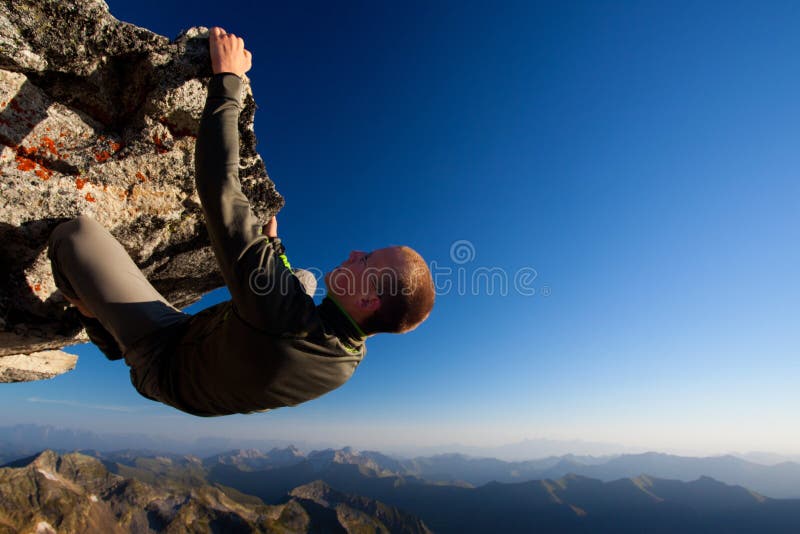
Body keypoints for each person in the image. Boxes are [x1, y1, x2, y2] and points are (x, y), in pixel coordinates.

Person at [47, 27, 435, 417]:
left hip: (161, 357)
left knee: (74, 235)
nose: (355, 252)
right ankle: (116, 324)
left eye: (367, 260)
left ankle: (103, 329)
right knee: (304, 279)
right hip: (205, 354)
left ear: (368, 299)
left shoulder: (283, 313)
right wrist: (274, 253)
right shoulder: (350, 354)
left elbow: (220, 190)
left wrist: (227, 81)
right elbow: (284, 304)